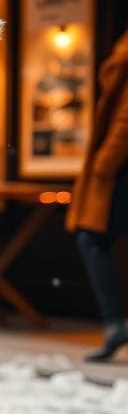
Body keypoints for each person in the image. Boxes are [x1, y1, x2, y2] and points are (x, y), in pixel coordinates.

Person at [68, 30, 128, 361]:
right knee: (93, 240)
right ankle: (115, 322)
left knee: (91, 239)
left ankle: (115, 322)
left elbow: (125, 121)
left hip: (120, 171)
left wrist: (104, 165)